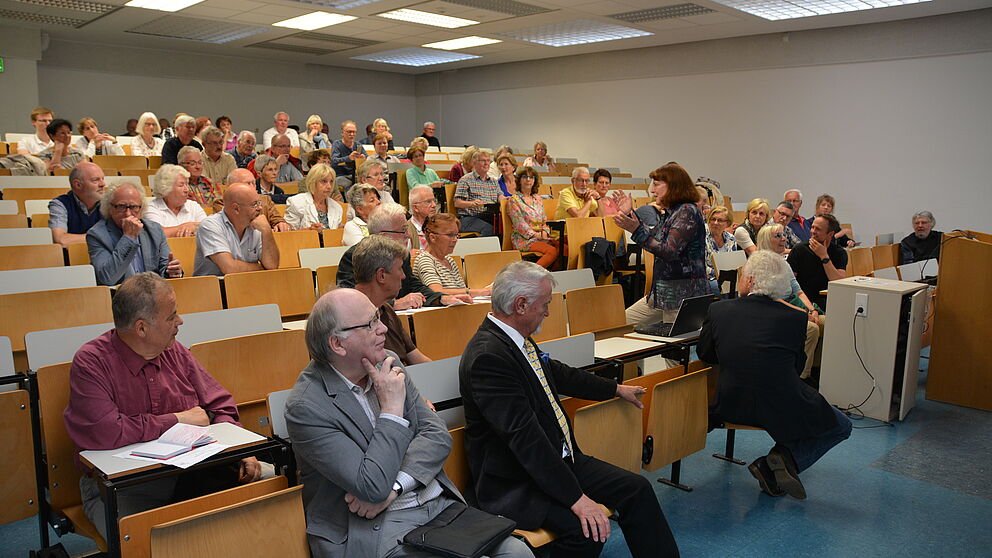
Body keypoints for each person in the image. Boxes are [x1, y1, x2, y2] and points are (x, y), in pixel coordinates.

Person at [283, 288, 531, 558]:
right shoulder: (306, 407)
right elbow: (371, 486)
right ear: (338, 344)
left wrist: (396, 487)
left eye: (378, 317)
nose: (383, 330)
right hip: (370, 527)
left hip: (432, 505)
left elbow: (436, 435)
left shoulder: (387, 361)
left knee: (517, 553)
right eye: (370, 324)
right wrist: (391, 410)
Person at [459, 261, 680, 558]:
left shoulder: (513, 339)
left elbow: (558, 374)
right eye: (545, 304)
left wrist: (614, 388)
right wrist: (577, 498)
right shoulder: (489, 357)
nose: (548, 312)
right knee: (586, 530)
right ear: (521, 305)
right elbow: (526, 441)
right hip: (516, 480)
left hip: (558, 461)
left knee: (636, 489)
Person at [63, 273, 263, 539]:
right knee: (150, 540)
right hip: (125, 487)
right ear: (142, 328)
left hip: (195, 471)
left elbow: (220, 405)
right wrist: (178, 420)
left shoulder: (175, 351)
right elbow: (106, 432)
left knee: (275, 492)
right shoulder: (92, 363)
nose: (180, 321)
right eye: (172, 317)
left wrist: (241, 450)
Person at [698, 250, 851, 500]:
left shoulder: (718, 310)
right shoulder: (796, 318)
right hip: (781, 406)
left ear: (750, 281)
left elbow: (706, 353)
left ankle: (775, 465)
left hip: (730, 403)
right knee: (842, 425)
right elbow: (795, 367)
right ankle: (779, 460)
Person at [613, 163, 709, 327]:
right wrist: (631, 214)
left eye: (656, 184)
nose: (652, 190)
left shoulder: (687, 212)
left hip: (682, 295)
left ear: (673, 186)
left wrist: (635, 229)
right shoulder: (673, 212)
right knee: (619, 325)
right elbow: (652, 238)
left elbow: (669, 251)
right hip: (664, 293)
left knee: (676, 349)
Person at [336, 204, 471, 309]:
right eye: (402, 230)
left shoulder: (402, 255)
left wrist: (441, 298)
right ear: (383, 236)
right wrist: (394, 303)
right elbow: (350, 298)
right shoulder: (353, 257)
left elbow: (413, 285)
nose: (407, 235)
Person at [757, 225, 824, 380]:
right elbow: (771, 298)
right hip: (773, 310)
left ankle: (816, 369)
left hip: (790, 307)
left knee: (826, 322)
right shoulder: (762, 264)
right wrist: (800, 313)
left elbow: (798, 291)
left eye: (783, 235)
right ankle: (800, 377)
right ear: (766, 241)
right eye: (778, 236)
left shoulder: (784, 263)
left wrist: (811, 310)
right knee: (811, 329)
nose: (784, 238)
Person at [353, 237, 432, 365]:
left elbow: (418, 360)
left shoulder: (386, 309)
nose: (403, 276)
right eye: (400, 268)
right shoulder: (349, 318)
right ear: (381, 275)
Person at [86, 182, 182, 285]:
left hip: (153, 294)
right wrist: (128, 238)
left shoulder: (154, 230)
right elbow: (107, 278)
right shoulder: (97, 235)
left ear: (141, 209)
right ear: (109, 208)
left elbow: (164, 269)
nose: (128, 214)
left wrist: (171, 272)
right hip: (120, 296)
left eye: (133, 207)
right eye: (121, 207)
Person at [193, 183, 280, 276]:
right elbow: (229, 268)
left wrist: (267, 231)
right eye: (254, 205)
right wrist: (261, 268)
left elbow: (272, 266)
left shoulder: (257, 225)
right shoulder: (210, 226)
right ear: (236, 208)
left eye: (259, 203)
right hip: (215, 287)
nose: (260, 208)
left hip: (247, 285)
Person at [414, 213, 493, 297]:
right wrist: (483, 292)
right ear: (433, 237)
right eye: (450, 235)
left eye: (456, 235)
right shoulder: (425, 260)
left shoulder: (450, 261)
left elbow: (462, 291)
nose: (455, 240)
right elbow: (436, 292)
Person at [787, 213, 847, 310]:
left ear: (830, 234)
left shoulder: (839, 253)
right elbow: (790, 283)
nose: (812, 231)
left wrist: (824, 256)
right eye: (812, 227)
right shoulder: (799, 249)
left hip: (829, 302)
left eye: (818, 229)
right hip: (805, 301)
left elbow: (838, 282)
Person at [507, 166, 558, 269]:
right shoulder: (514, 200)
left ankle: (551, 274)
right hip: (524, 239)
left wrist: (544, 232)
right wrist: (537, 235)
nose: (528, 180)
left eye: (531, 177)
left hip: (541, 236)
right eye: (525, 177)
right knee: (552, 251)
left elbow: (544, 220)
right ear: (519, 180)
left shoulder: (538, 199)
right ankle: (531, 275)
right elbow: (519, 224)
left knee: (564, 249)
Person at [212, 168, 291, 232]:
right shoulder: (222, 203)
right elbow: (235, 227)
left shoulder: (265, 199)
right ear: (232, 187)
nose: (252, 187)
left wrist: (281, 224)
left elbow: (277, 219)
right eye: (247, 184)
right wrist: (265, 229)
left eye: (254, 183)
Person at [49, 161, 105, 247]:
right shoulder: (60, 204)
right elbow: (61, 240)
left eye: (102, 179)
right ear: (78, 185)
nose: (102, 184)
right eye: (95, 180)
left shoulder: (109, 203)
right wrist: (100, 237)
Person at [144, 164, 206, 238]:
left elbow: (208, 228)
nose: (186, 190)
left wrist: (193, 227)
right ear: (166, 188)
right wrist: (187, 226)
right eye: (181, 185)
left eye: (187, 185)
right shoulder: (151, 208)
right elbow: (157, 234)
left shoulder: (193, 206)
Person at [285, 163, 344, 231]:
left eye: (331, 181)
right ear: (312, 182)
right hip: (305, 241)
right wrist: (309, 230)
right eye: (324, 181)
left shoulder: (337, 207)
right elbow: (289, 234)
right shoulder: (296, 202)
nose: (329, 186)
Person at [454, 150, 500, 236]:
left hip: (489, 216)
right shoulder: (466, 180)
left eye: (488, 161)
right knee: (489, 229)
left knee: (504, 225)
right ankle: (486, 249)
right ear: (474, 163)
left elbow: (500, 196)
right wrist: (472, 203)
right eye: (483, 161)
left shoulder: (493, 181)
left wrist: (506, 199)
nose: (486, 163)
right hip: (468, 218)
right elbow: (457, 203)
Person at [704, 206, 738, 295]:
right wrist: (719, 275)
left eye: (720, 220)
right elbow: (701, 266)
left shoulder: (731, 239)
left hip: (727, 277)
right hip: (709, 277)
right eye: (713, 219)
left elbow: (734, 263)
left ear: (727, 223)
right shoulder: (702, 237)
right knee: (718, 286)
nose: (715, 223)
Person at [331, 120, 366, 189]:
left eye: (354, 132)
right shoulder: (337, 144)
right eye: (349, 132)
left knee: (365, 183)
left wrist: (363, 158)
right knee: (349, 185)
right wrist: (349, 158)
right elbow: (334, 161)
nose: (352, 134)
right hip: (340, 175)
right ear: (342, 133)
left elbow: (367, 158)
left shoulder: (357, 144)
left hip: (355, 175)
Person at [406, 185, 437, 251]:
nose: (434, 205)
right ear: (415, 207)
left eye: (434, 200)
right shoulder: (406, 231)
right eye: (428, 202)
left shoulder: (438, 225)